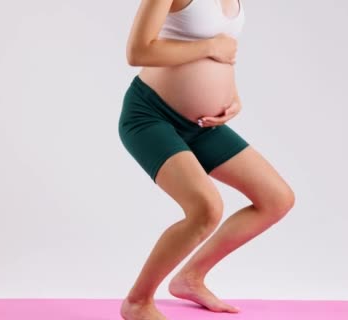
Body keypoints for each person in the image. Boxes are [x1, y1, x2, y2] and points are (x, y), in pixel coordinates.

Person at [117, 0, 295, 319]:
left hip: (203, 125)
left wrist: (231, 94)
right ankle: (137, 301)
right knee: (205, 209)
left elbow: (224, 51)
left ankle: (190, 278)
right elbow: (139, 52)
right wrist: (209, 46)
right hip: (151, 116)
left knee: (276, 199)